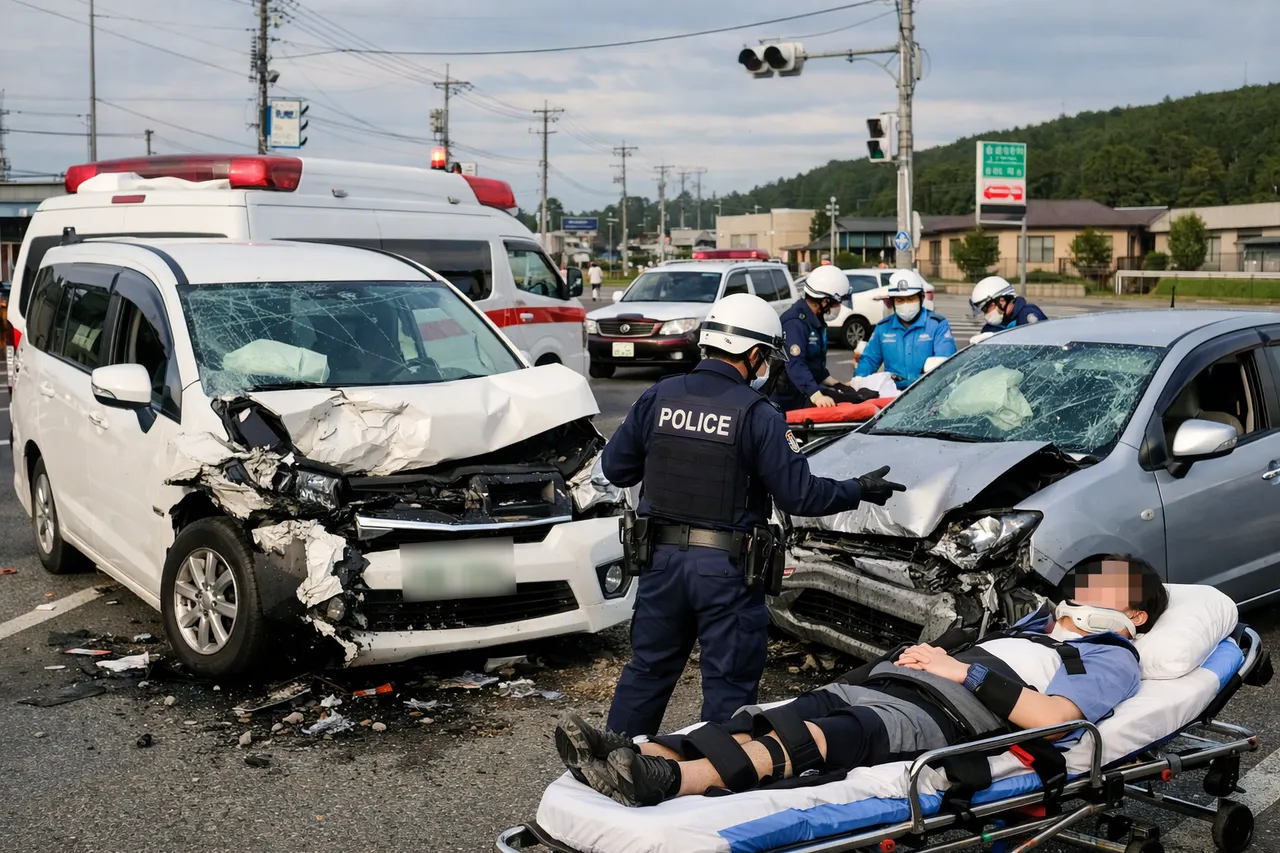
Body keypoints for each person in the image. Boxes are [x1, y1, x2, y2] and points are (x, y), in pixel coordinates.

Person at [556, 555, 1169, 807]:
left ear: (1135, 614)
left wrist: (962, 669)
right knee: (768, 720)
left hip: (949, 715)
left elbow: (1058, 719)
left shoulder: (1110, 652)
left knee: (832, 738)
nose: (1083, 589)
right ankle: (630, 755)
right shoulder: (1035, 626)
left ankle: (666, 782)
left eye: (1103, 583)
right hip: (896, 681)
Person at [600, 293, 907, 739]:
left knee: (648, 671)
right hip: (725, 569)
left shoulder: (658, 397)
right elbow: (800, 495)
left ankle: (611, 763)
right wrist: (859, 490)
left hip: (659, 562)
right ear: (754, 354)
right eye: (767, 358)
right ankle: (717, 788)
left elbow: (615, 468)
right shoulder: (758, 414)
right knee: (727, 687)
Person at [772, 265, 875, 412]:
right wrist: (816, 395)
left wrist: (832, 382)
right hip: (790, 398)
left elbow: (814, 363)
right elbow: (795, 364)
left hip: (806, 390)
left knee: (854, 396)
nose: (839, 307)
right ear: (825, 301)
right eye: (838, 303)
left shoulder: (814, 321)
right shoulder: (795, 322)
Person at [856, 270, 956, 390]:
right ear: (892, 302)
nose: (906, 304)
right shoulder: (883, 328)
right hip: (892, 397)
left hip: (930, 392)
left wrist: (907, 383)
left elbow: (945, 365)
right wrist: (858, 382)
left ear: (921, 298)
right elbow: (869, 360)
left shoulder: (937, 325)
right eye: (900, 300)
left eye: (911, 299)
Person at [972, 275, 1048, 335]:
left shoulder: (1028, 317)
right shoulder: (991, 328)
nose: (986, 315)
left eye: (986, 308)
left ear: (1001, 301)